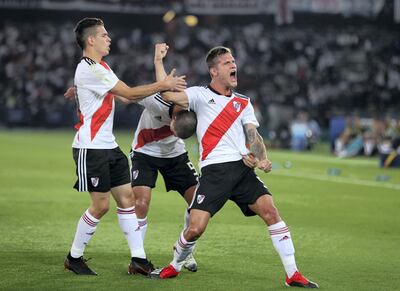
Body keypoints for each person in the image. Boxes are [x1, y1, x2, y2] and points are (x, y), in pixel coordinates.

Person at [150, 46, 319, 288]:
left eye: (233, 61)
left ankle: (292, 274)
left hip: (242, 170)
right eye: (227, 62)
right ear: (214, 71)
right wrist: (159, 62)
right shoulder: (198, 95)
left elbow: (253, 134)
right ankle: (174, 265)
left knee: (271, 212)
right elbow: (166, 96)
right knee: (195, 229)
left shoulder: (243, 102)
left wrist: (261, 158)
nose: (233, 65)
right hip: (215, 172)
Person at [64, 17, 186, 276]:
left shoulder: (101, 67)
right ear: (91, 40)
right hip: (91, 147)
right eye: (104, 35)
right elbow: (129, 94)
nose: (109, 38)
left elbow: (123, 96)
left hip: (108, 146)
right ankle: (73, 257)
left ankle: (138, 260)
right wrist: (163, 85)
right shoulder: (90, 68)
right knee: (101, 206)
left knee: (127, 200)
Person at [127, 43, 199, 274]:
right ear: (173, 121)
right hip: (145, 153)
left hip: (175, 155)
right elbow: (126, 96)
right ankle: (138, 257)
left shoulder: (194, 106)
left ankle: (184, 251)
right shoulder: (155, 101)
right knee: (141, 203)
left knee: (199, 203)